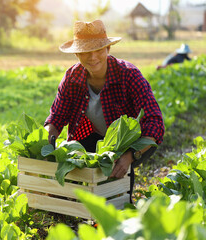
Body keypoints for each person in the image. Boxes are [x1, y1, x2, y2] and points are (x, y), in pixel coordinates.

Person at [44, 20, 165, 202]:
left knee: (117, 197)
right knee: (81, 191)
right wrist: (44, 146)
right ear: (77, 54)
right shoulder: (71, 78)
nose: (93, 57)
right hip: (89, 139)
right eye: (86, 52)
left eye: (99, 50)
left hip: (124, 144)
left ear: (108, 49)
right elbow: (56, 118)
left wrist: (130, 156)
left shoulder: (129, 75)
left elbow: (154, 120)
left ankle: (122, 188)